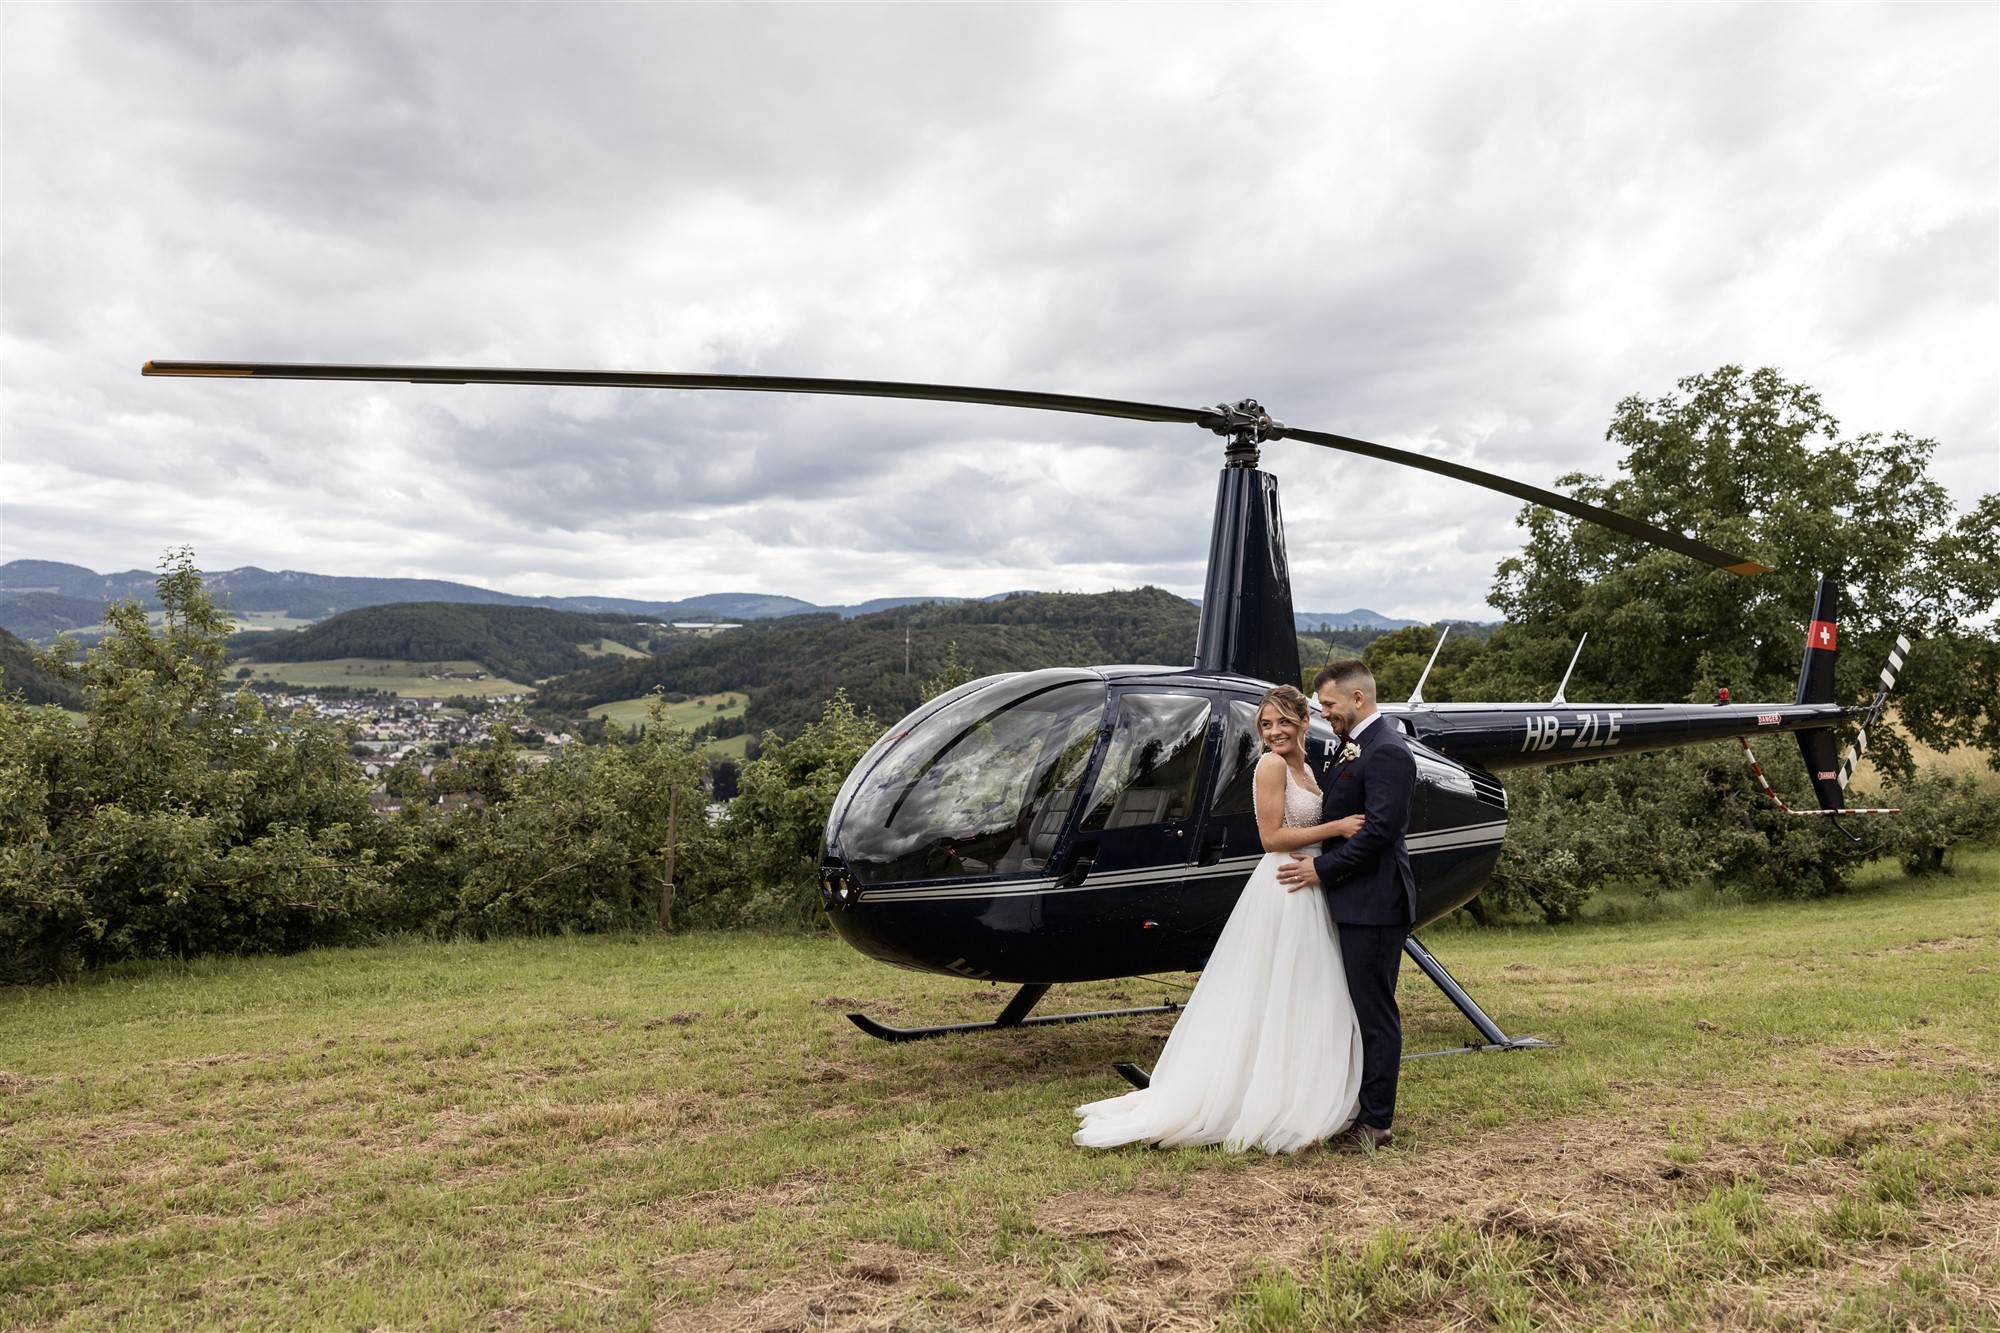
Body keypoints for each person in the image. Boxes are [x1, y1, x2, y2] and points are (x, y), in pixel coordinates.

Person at [1073, 684, 1365, 1154]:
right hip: (1284, 886)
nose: (1274, 733)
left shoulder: (1306, 768)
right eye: (1266, 725)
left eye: (1283, 723)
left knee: (1304, 991)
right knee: (1278, 989)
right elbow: (1271, 837)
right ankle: (1263, 1098)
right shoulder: (1271, 766)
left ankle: (1295, 1089)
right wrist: (1340, 827)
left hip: (1309, 884)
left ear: (1304, 722)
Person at [1276, 659, 1416, 1153]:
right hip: (1349, 900)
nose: (1325, 714)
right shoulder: (1352, 747)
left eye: (1330, 705)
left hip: (1375, 903)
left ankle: (1376, 1123)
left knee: (1374, 1012)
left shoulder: (1389, 752)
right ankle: (1350, 1104)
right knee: (1350, 1009)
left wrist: (1320, 870)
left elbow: (1380, 831)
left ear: (1358, 699)